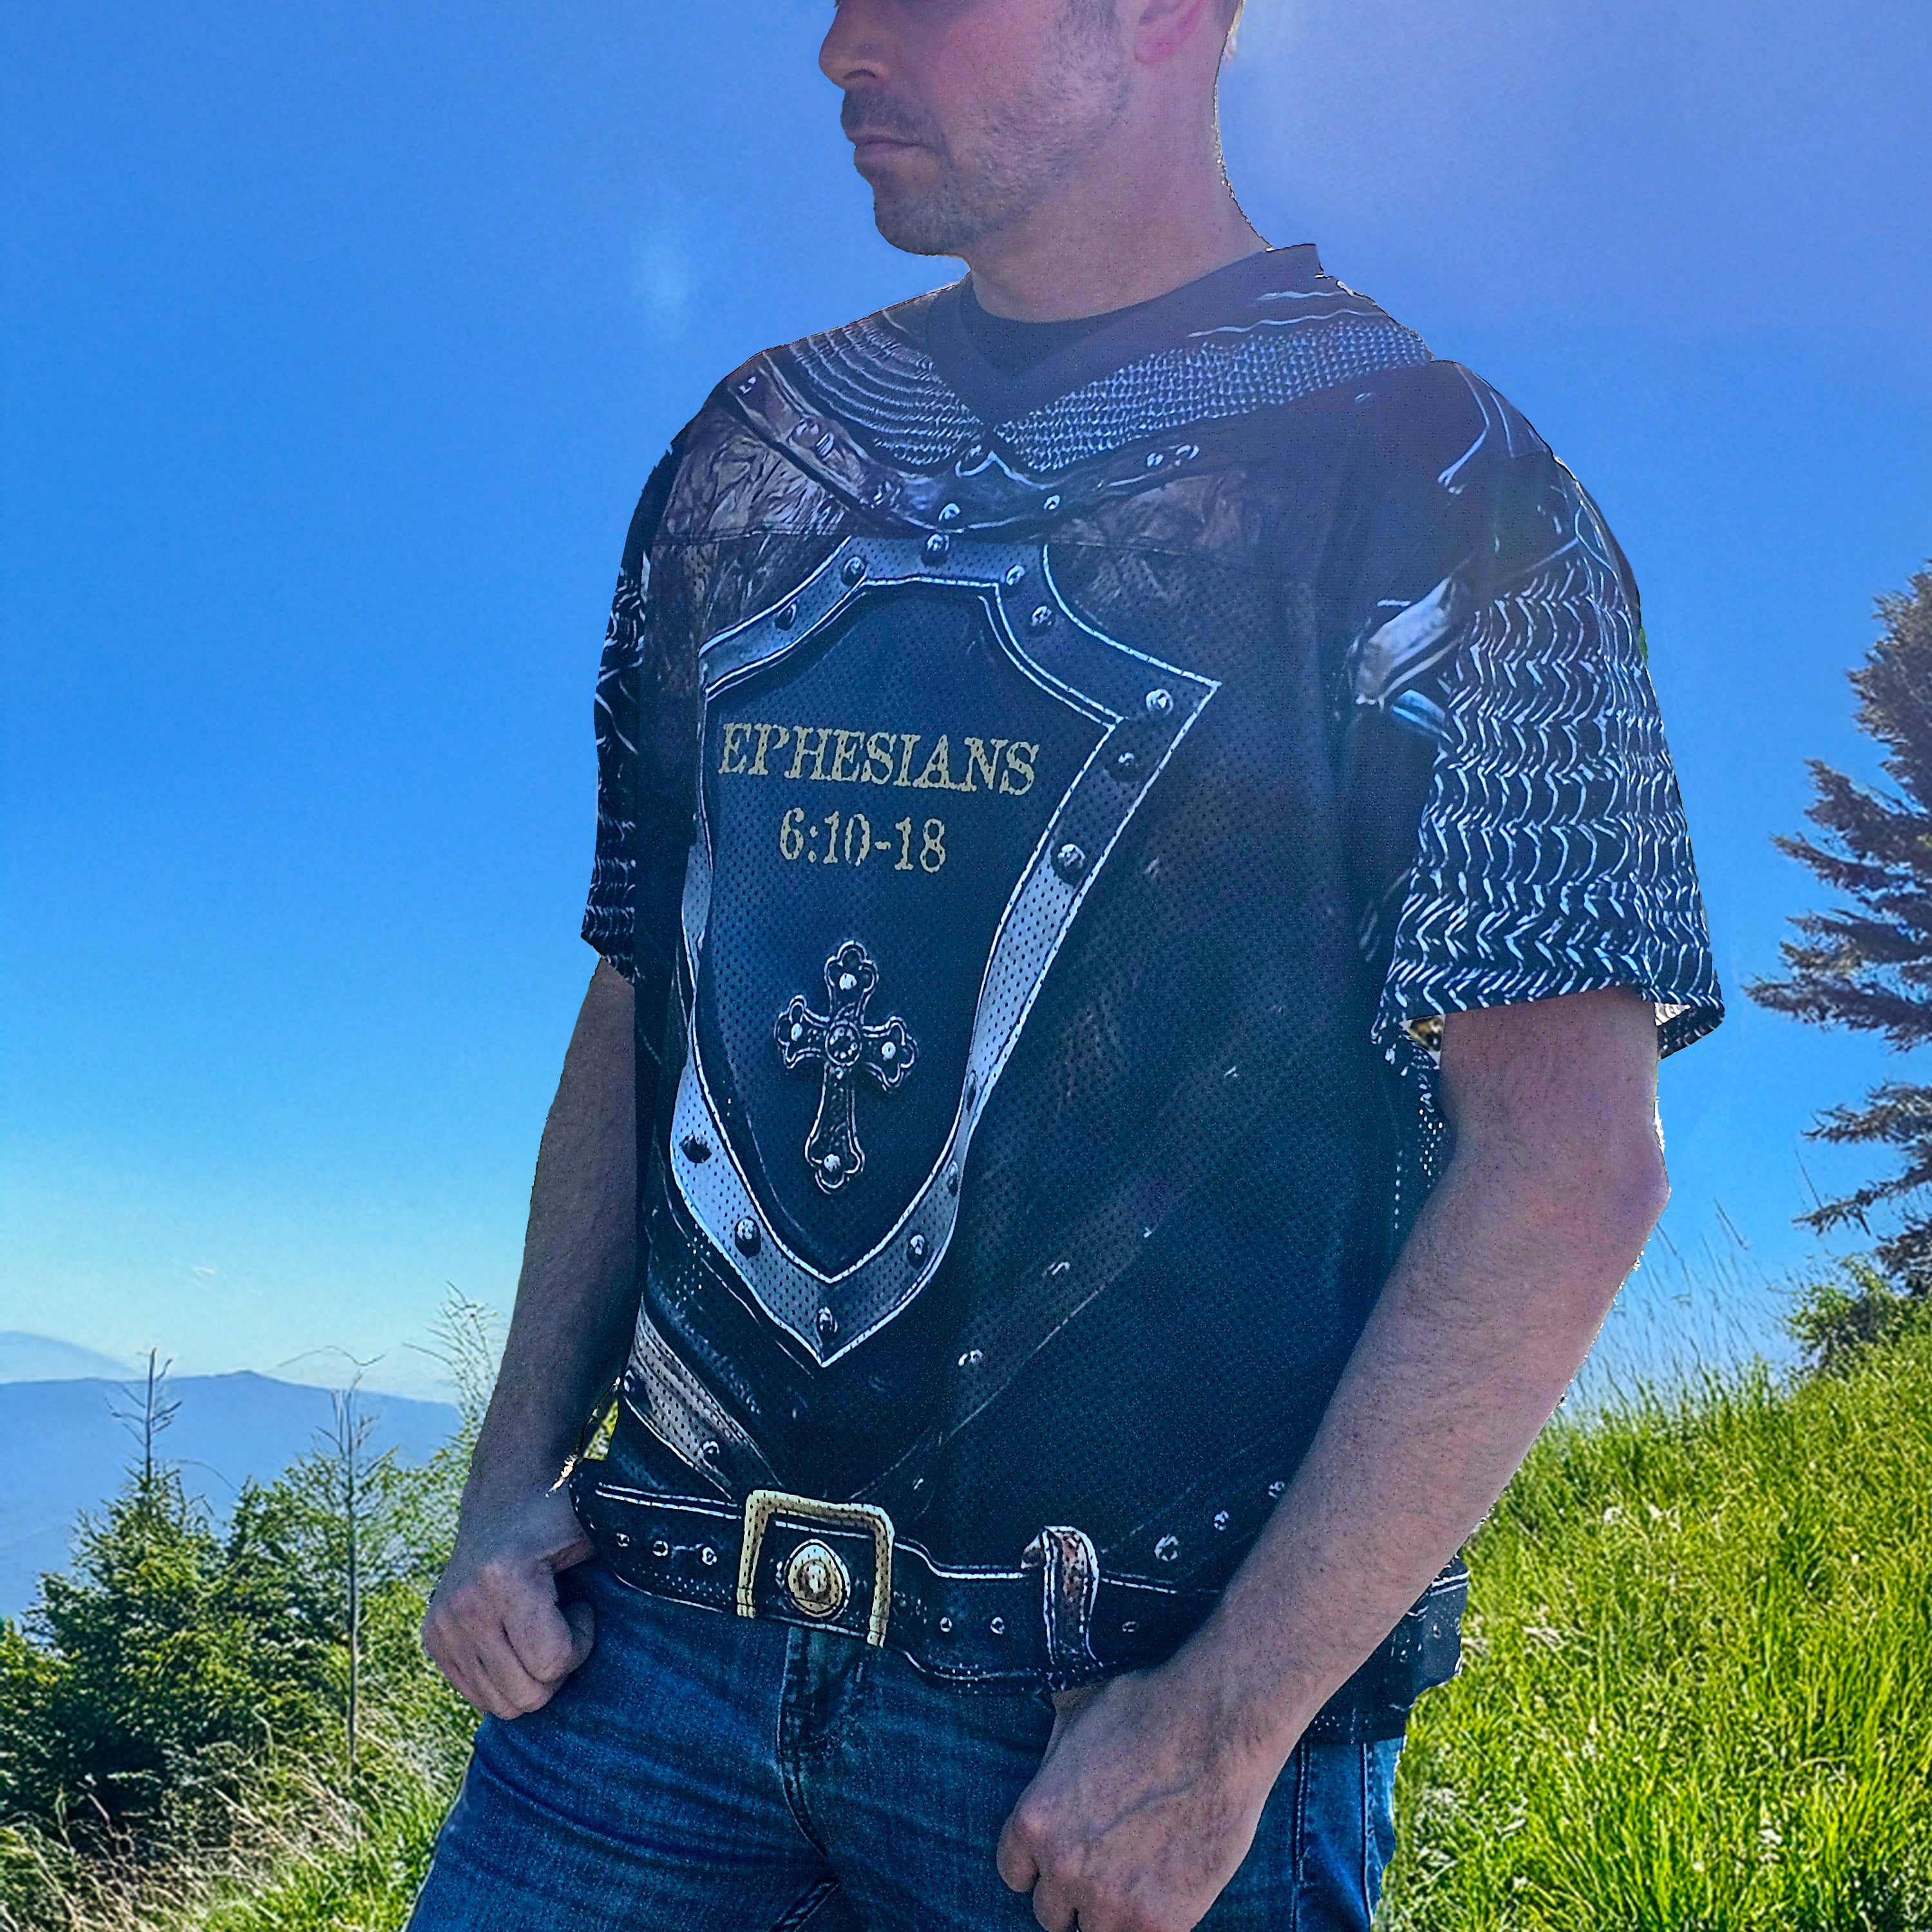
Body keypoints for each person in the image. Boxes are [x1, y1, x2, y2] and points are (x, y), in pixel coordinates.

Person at [408, 1, 1723, 1927]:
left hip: (1112, 1724)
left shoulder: (1434, 484)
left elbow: (1571, 1161)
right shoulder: (749, 455)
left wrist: (1230, 1718)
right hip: (643, 1657)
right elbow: (642, 1000)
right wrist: (509, 1474)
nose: (841, 49)